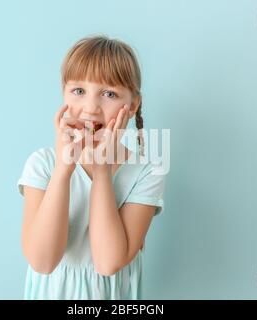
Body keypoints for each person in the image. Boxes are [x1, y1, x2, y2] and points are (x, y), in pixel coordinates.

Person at [17, 35, 167, 299]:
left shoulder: (146, 172)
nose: (91, 108)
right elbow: (42, 261)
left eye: (109, 94)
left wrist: (101, 171)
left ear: (133, 105)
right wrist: (63, 170)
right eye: (79, 91)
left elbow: (108, 263)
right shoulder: (43, 165)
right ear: (64, 93)